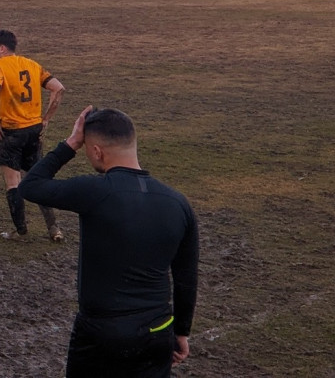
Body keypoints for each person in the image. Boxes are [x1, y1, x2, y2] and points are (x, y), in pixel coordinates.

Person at [20, 107, 200, 377]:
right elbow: (186, 277)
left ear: (96, 151)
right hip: (158, 330)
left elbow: (31, 185)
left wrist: (70, 144)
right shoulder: (179, 204)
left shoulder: (94, 191)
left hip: (101, 333)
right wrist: (182, 331)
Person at [0, 29, 64, 242]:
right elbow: (58, 88)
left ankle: (20, 230)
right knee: (38, 178)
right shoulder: (32, 64)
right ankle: (54, 228)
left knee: (13, 182)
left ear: (1, 48)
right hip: (33, 129)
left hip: (10, 131)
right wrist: (45, 118)